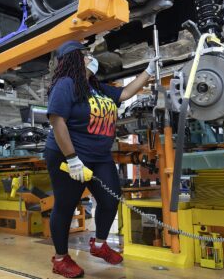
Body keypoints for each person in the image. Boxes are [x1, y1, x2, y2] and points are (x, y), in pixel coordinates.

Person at [45, 40, 158, 278]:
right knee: (65, 207)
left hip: (100, 157)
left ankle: (99, 244)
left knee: (110, 200)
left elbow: (126, 93)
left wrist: (148, 71)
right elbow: (57, 122)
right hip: (68, 156)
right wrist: (72, 158)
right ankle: (60, 259)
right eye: (86, 55)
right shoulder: (66, 85)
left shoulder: (97, 87)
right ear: (74, 59)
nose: (91, 58)